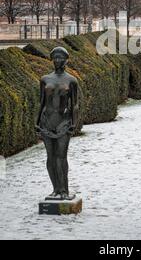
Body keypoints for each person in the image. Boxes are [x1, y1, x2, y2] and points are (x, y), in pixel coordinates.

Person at [36, 47, 79, 200]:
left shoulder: (71, 80)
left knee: (61, 157)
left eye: (61, 58)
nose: (58, 61)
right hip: (46, 122)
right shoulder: (45, 79)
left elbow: (74, 105)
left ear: (66, 60)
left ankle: (64, 190)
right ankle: (55, 189)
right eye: (55, 58)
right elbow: (41, 103)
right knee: (50, 157)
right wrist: (37, 122)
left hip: (64, 123)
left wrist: (74, 123)